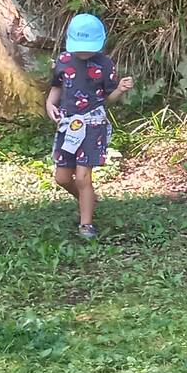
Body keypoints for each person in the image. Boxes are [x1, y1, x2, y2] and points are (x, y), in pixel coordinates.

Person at [46, 13, 134, 240]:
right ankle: (88, 200)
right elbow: (57, 86)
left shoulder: (105, 64)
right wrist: (49, 104)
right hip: (68, 125)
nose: (84, 52)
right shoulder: (64, 60)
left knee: (83, 177)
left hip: (93, 124)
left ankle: (86, 224)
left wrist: (120, 90)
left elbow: (107, 98)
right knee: (62, 177)